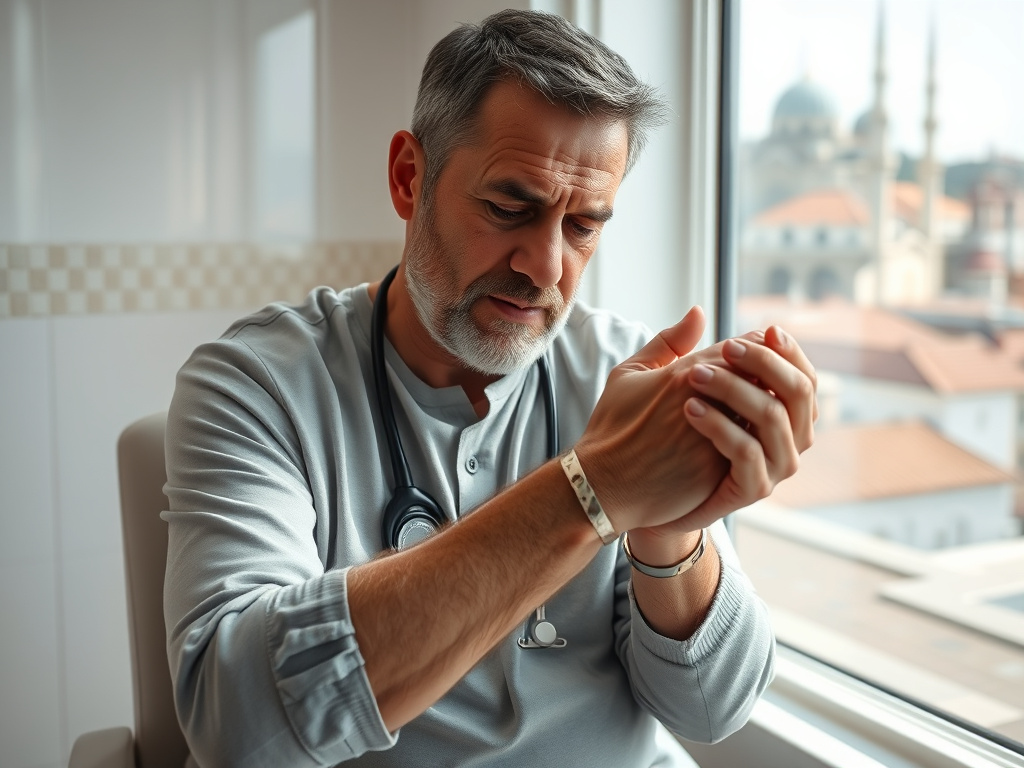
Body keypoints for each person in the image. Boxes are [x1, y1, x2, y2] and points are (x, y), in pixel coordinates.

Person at [163, 9, 817, 768]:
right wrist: (595, 488)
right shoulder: (257, 386)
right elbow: (237, 724)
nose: (546, 266)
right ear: (410, 178)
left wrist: (669, 531)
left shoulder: (623, 376)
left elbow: (711, 711)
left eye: (583, 227)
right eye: (510, 209)